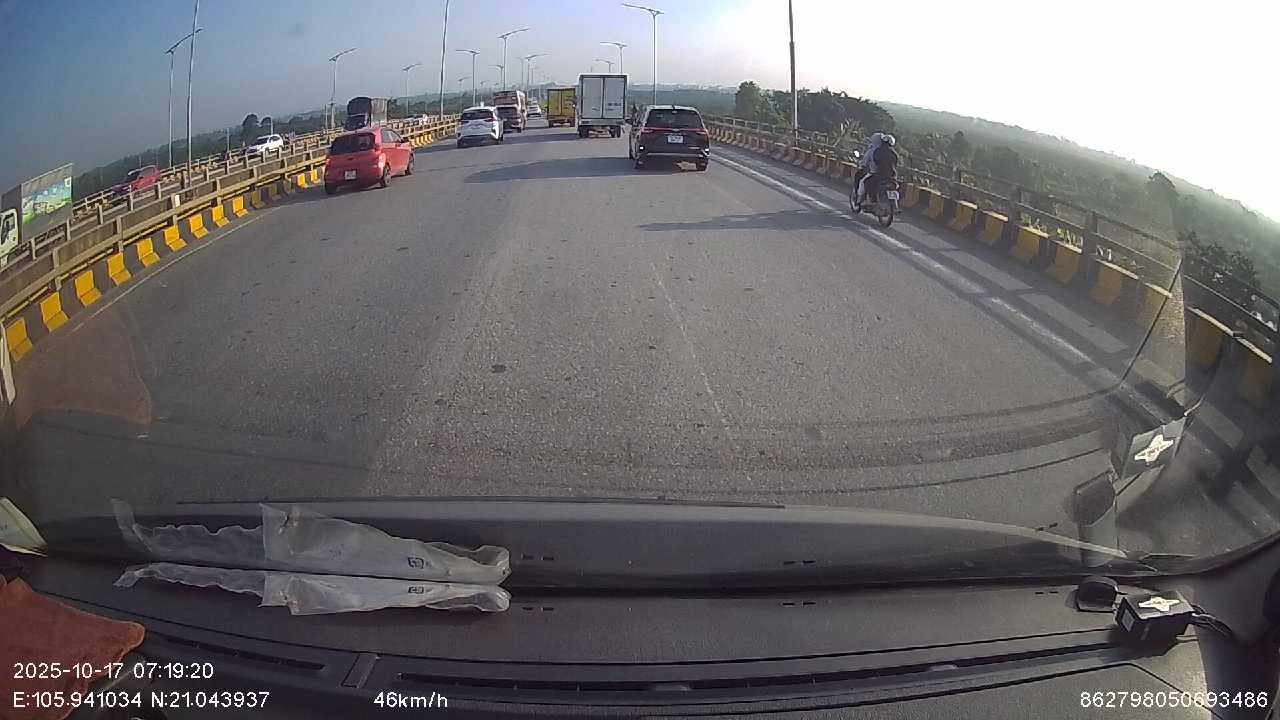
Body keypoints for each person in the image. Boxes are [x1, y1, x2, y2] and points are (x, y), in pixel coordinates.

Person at [856, 133, 899, 208]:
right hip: (893, 176)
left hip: (880, 174)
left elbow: (874, 162)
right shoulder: (894, 154)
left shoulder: (877, 151)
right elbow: (895, 163)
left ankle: (872, 200)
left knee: (867, 182)